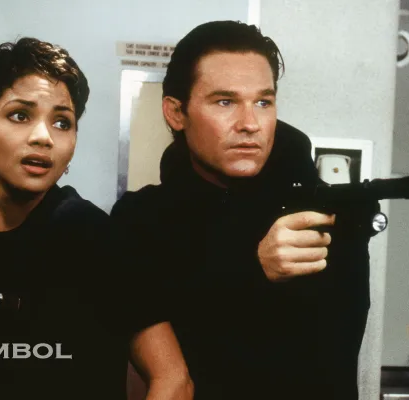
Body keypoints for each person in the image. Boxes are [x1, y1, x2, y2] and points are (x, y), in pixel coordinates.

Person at [111, 21, 373, 399]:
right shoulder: (140, 218)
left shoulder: (318, 215)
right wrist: (253, 269)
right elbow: (176, 371)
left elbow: (327, 367)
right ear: (175, 112)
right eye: (225, 102)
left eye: (263, 103)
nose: (250, 124)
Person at [0, 37, 193, 399]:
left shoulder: (86, 231)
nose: (43, 137)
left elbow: (174, 380)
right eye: (20, 115)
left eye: (62, 122)